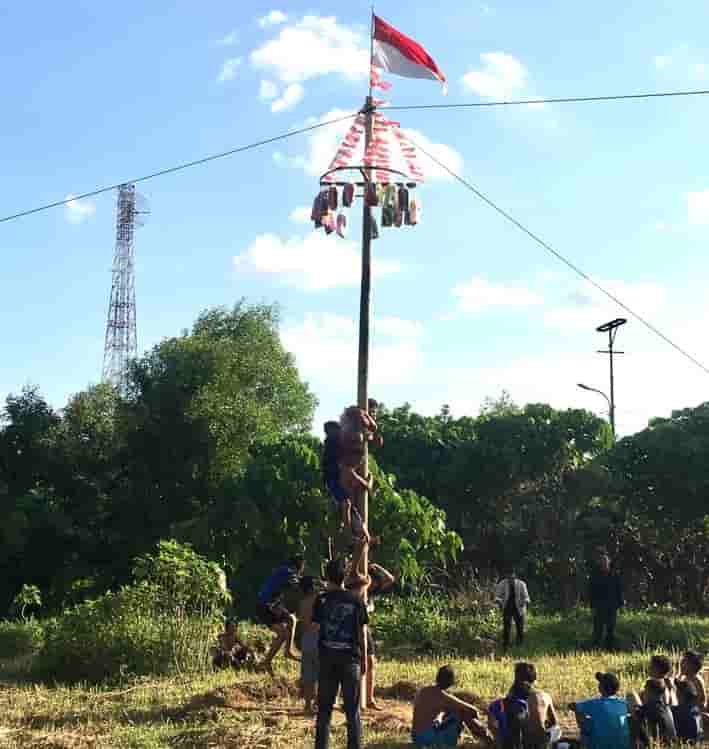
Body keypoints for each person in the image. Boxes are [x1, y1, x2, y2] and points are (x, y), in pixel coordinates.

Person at [313, 557, 368, 749]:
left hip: (327, 659)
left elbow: (315, 627)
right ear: (344, 576)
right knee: (352, 711)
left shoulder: (321, 600)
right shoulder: (356, 600)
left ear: (327, 577)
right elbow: (362, 633)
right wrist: (365, 659)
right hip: (350, 659)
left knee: (324, 710)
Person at [412, 665, 491, 747]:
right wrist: (485, 715)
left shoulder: (424, 690)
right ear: (451, 681)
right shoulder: (441, 695)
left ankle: (485, 739)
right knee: (462, 712)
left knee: (453, 711)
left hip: (417, 738)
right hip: (428, 739)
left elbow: (441, 710)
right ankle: (488, 740)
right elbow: (471, 709)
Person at [489, 662, 558, 749]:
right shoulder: (543, 696)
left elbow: (493, 728)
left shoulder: (497, 704)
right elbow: (554, 723)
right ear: (534, 679)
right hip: (536, 743)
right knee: (556, 731)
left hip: (511, 743)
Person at [322, 421, 371, 542]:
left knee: (350, 507)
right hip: (331, 480)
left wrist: (367, 436)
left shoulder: (336, 442)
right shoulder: (332, 444)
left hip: (335, 478)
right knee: (346, 504)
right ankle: (348, 535)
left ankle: (358, 535)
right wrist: (368, 484)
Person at [256, 556, 304, 674]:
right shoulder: (288, 571)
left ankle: (288, 651)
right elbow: (300, 585)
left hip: (271, 605)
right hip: (264, 606)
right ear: (300, 566)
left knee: (291, 619)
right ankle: (266, 661)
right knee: (283, 633)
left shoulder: (284, 571)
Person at [571, 672, 629, 749]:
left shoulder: (595, 703)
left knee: (585, 723)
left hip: (599, 745)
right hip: (622, 745)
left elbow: (574, 706)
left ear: (601, 687)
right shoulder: (623, 703)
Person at [588, 553, 623, 650]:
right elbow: (591, 592)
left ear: (608, 563)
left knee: (610, 629)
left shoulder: (614, 575)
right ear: (599, 564)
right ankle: (595, 648)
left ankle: (609, 648)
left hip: (611, 607)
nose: (604, 564)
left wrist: (620, 604)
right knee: (597, 629)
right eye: (602, 562)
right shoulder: (595, 576)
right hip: (599, 607)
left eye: (605, 562)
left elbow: (619, 590)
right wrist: (592, 606)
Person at [298, 576, 320, 714]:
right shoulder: (318, 599)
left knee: (308, 675)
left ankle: (307, 705)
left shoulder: (302, 603)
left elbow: (302, 621)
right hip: (318, 638)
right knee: (320, 674)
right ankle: (318, 702)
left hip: (306, 640)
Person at [495, 569, 531, 652]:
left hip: (519, 607)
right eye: (508, 576)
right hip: (507, 607)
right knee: (506, 627)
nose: (510, 578)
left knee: (520, 628)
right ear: (506, 576)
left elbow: (526, 597)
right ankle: (505, 646)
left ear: (515, 575)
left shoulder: (521, 584)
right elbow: (497, 596)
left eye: (512, 576)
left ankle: (520, 646)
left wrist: (525, 602)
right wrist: (499, 601)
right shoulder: (502, 583)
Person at [634, 680, 677, 744]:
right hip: (670, 744)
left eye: (645, 691)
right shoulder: (666, 708)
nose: (643, 694)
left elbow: (635, 714)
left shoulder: (650, 707)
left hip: (657, 744)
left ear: (649, 692)